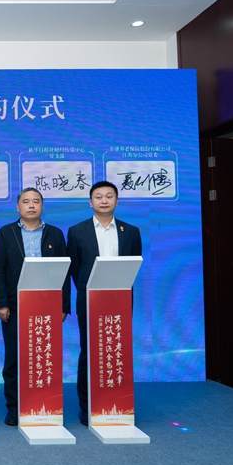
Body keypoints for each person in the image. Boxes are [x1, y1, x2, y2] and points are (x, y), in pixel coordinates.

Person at [0, 187, 70, 427]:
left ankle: (42, 403)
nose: (31, 205)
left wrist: (63, 305)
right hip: (15, 306)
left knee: (44, 357)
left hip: (47, 306)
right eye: (26, 201)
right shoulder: (6, 233)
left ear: (42, 206)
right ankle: (14, 407)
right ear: (18, 207)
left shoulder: (55, 234)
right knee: (14, 359)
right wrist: (1, 303)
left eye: (36, 201)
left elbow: (64, 271)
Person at [67, 180, 142, 426]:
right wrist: (89, 289)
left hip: (120, 302)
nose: (104, 200)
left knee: (116, 353)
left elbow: (133, 265)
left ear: (117, 201)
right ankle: (87, 406)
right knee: (89, 353)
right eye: (98, 196)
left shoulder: (131, 231)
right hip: (89, 301)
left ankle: (116, 403)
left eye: (109, 196)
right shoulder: (77, 231)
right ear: (90, 202)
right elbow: (75, 269)